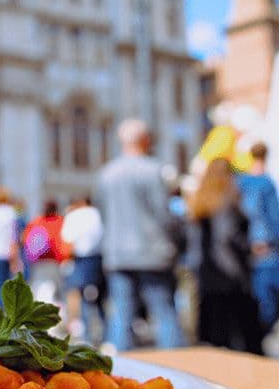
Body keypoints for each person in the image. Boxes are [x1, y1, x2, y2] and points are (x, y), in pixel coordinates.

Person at [96, 119, 184, 351]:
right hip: (152, 251)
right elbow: (164, 214)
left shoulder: (107, 174)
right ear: (145, 140)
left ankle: (119, 377)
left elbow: (103, 215)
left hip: (117, 253)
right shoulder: (154, 170)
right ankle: (177, 370)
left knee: (121, 314)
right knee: (164, 312)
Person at [187, 159, 261, 353]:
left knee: (215, 337)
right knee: (242, 335)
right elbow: (230, 236)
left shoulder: (199, 201)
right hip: (231, 274)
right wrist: (249, 249)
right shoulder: (227, 200)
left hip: (207, 276)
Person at [238, 142, 279, 345]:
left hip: (246, 249)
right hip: (266, 248)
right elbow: (273, 217)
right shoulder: (266, 183)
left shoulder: (241, 182)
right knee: (268, 303)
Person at [61, 196, 106, 341]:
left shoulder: (73, 216)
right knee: (99, 298)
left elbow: (67, 242)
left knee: (80, 296)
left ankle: (86, 334)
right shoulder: (97, 213)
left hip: (79, 260)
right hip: (98, 258)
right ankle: (104, 333)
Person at [22, 200, 69, 304]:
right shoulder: (61, 221)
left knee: (40, 287)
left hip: (38, 261)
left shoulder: (36, 221)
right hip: (55, 260)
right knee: (55, 288)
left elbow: (25, 239)